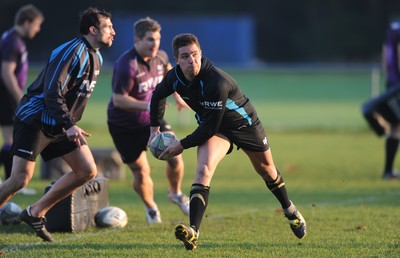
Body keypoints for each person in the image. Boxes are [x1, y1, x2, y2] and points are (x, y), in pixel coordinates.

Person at [149, 33, 307, 250]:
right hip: (217, 130)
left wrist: (180, 145)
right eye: (185, 56)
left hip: (245, 126)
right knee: (203, 169)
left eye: (195, 55)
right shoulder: (173, 77)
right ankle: (193, 231)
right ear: (176, 59)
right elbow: (157, 95)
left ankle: (290, 210)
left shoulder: (216, 82)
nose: (191, 60)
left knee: (267, 171)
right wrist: (154, 130)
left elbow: (207, 128)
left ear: (201, 54)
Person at [0, 7, 115, 242]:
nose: (113, 31)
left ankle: (35, 212)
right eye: (108, 27)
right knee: (20, 179)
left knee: (86, 171)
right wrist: (68, 123)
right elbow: (52, 92)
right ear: (93, 30)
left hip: (61, 124)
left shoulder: (98, 57)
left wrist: (67, 124)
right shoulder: (71, 52)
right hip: (36, 120)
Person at [107, 17, 189, 224]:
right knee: (141, 172)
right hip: (124, 126)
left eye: (158, 39)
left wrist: (178, 96)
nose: (155, 44)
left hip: (152, 120)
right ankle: (151, 208)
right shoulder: (127, 65)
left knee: (176, 155)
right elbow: (119, 99)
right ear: (137, 39)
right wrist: (149, 105)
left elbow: (171, 73)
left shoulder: (160, 57)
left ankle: (176, 193)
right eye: (150, 39)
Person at [0, 4, 44, 194]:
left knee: (9, 138)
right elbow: (6, 72)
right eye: (36, 25)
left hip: (6, 96)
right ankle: (11, 184)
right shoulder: (13, 42)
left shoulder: (10, 37)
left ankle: (9, 183)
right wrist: (20, 97)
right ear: (26, 23)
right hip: (7, 96)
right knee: (11, 138)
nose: (37, 29)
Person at [381, 20, 400, 180]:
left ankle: (388, 170)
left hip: (392, 83)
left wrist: (389, 80)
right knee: (397, 127)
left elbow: (384, 55)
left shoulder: (393, 28)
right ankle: (388, 171)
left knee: (395, 127)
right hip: (398, 84)